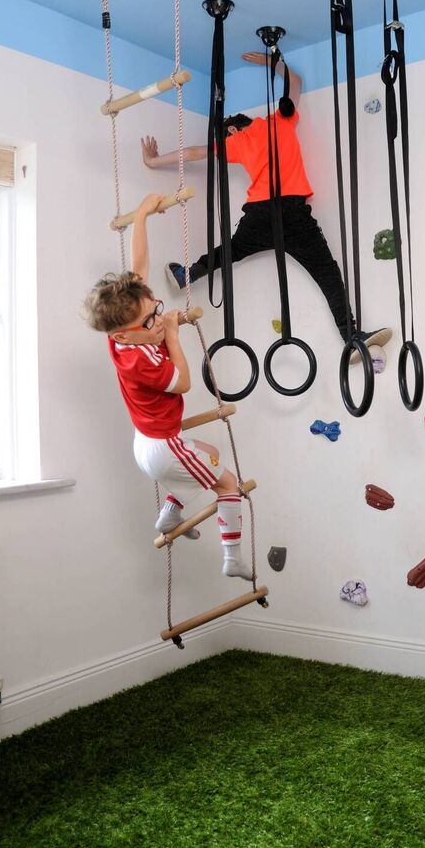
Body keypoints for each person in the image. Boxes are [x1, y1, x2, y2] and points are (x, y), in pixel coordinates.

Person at [141, 51, 391, 364]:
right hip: (294, 213)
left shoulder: (236, 142)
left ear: (232, 130)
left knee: (230, 252)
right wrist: (271, 62)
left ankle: (186, 275)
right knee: (327, 273)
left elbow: (195, 153)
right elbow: (295, 82)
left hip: (259, 214)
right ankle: (352, 338)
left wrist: (154, 160)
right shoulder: (280, 121)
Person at [83, 193, 251, 581]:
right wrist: (172, 336)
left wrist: (142, 216)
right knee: (229, 484)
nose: (158, 317)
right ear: (125, 334)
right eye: (150, 319)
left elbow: (139, 267)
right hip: (163, 449)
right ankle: (233, 558)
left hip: (149, 444)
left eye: (156, 308)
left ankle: (170, 515)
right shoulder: (140, 362)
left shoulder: (121, 332)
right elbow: (185, 383)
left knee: (209, 453)